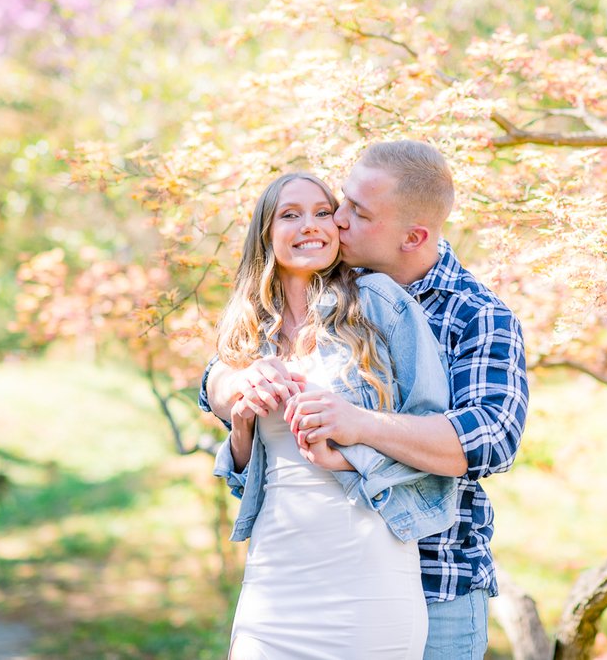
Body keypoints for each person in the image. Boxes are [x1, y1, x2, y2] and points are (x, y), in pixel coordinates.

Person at [201, 141, 530, 658]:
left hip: (437, 579)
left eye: (357, 212)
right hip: (301, 570)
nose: (338, 222)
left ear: (412, 236)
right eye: (342, 203)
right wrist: (235, 386)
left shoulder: (476, 315)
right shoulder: (332, 285)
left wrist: (358, 428)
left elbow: (487, 442)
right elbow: (224, 369)